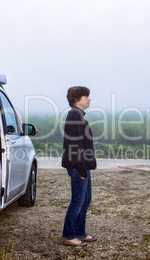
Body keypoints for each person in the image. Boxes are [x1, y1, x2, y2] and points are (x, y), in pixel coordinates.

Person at [61, 86, 97, 246]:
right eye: (86, 96)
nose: (89, 99)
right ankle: (69, 236)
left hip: (82, 166)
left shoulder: (79, 116)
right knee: (77, 201)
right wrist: (82, 169)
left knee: (85, 199)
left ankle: (80, 233)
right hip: (78, 166)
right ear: (78, 99)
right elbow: (75, 147)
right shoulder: (75, 117)